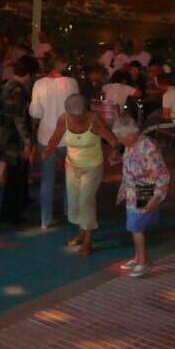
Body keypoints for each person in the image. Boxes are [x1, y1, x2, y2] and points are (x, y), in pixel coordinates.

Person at [43, 94, 119, 255]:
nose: (77, 119)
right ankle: (81, 233)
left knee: (86, 201)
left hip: (93, 167)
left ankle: (88, 241)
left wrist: (120, 151)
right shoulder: (64, 119)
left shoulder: (95, 120)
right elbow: (55, 138)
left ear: (86, 111)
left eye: (80, 115)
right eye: (73, 115)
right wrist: (47, 151)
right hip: (72, 167)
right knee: (75, 202)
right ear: (68, 113)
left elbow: (112, 140)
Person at [113, 116, 171, 277]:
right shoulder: (130, 144)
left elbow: (162, 174)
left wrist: (155, 198)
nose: (119, 140)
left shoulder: (147, 147)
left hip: (145, 189)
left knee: (135, 226)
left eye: (121, 137)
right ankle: (138, 257)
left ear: (131, 134)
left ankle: (142, 262)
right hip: (132, 191)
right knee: (135, 227)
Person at [29, 54, 79, 228]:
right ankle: (69, 210)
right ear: (60, 64)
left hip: (46, 136)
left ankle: (45, 219)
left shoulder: (39, 84)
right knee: (70, 176)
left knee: (47, 179)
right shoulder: (71, 83)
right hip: (68, 135)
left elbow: (35, 112)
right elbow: (77, 109)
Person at [0, 55, 36, 224]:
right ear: (29, 74)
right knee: (14, 175)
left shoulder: (5, 84)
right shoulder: (19, 91)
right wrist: (27, 142)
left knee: (15, 173)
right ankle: (10, 214)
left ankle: (17, 205)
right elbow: (19, 119)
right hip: (13, 138)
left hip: (2, 133)